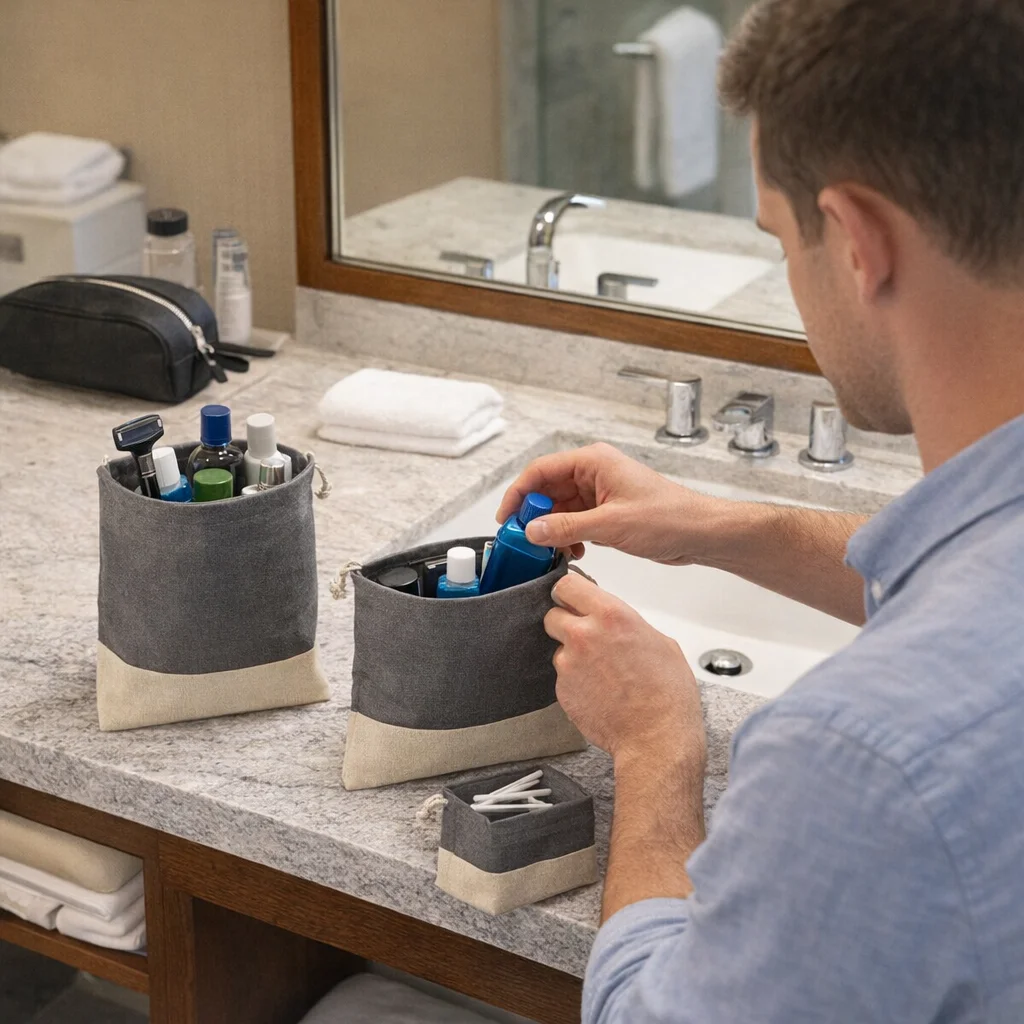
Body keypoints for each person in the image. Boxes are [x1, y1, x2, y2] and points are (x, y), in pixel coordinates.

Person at [496, 1, 1024, 1020]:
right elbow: (975, 583)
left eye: (781, 237)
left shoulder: (859, 759)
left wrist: (656, 746)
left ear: (858, 241)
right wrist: (722, 526)